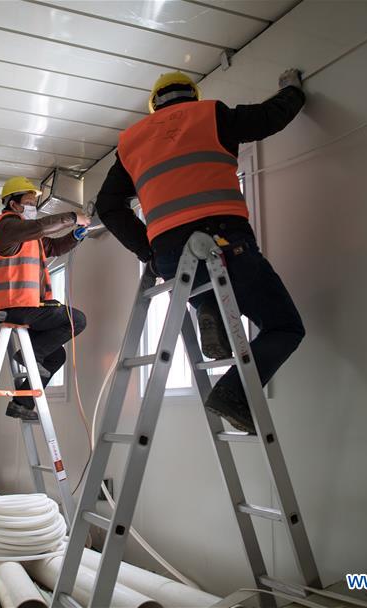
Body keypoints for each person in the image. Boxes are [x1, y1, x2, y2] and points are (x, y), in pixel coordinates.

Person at [95, 69, 307, 434]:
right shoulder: (211, 114)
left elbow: (107, 205)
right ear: (191, 95)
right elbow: (269, 117)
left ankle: (207, 308)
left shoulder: (132, 141)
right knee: (285, 327)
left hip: (170, 256)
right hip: (226, 242)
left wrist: (146, 247)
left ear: (153, 105)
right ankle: (231, 392)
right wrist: (292, 91)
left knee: (201, 281)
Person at [0, 176, 91, 421]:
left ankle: (21, 404)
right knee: (77, 319)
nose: (34, 205)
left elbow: (52, 247)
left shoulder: (27, 233)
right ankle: (29, 355)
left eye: (35, 201)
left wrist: (75, 236)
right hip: (17, 306)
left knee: (56, 355)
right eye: (29, 201)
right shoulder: (8, 227)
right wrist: (73, 217)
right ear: (13, 204)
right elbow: (41, 227)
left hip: (29, 307)